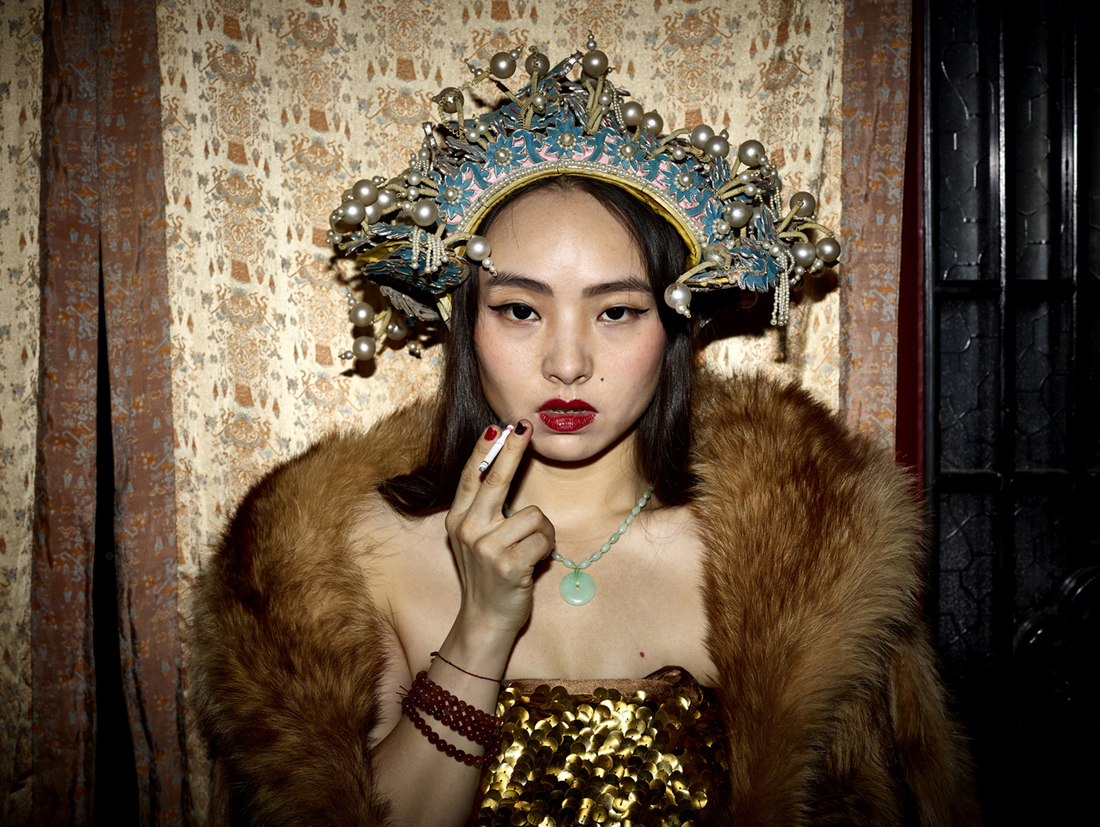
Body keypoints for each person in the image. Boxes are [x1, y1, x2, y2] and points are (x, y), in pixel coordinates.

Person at [191, 45, 980, 826]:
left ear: (672, 329)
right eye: (520, 309)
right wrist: (480, 628)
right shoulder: (361, 554)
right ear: (466, 325)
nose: (567, 363)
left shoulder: (790, 566)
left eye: (616, 311)